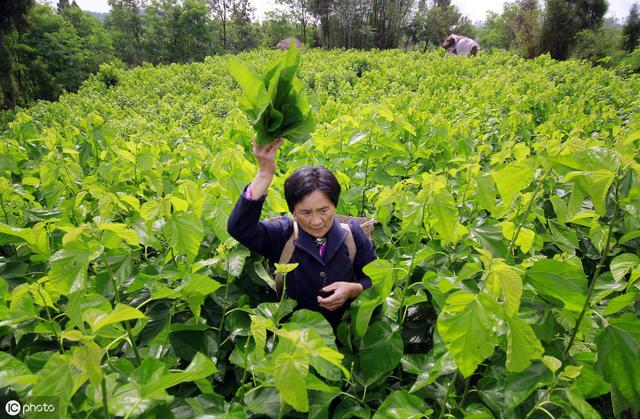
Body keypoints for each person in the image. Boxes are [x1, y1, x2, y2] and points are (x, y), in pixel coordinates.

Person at [227, 137, 377, 328]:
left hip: (346, 337)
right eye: (305, 212)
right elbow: (239, 228)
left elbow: (375, 279)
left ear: (335, 205)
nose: (316, 221)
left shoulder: (352, 235)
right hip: (297, 340)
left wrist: (353, 289)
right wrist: (265, 173)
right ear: (292, 211)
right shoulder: (284, 236)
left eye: (324, 210)